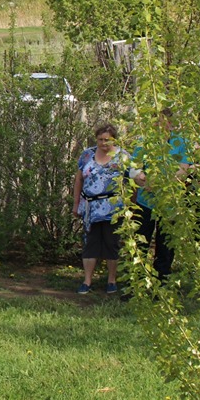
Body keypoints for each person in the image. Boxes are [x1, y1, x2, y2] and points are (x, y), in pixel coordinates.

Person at [130, 109, 193, 281]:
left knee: (165, 245)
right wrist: (142, 179)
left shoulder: (181, 142)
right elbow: (135, 169)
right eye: (155, 121)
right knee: (140, 242)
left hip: (170, 202)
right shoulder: (144, 142)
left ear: (170, 123)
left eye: (162, 121)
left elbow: (183, 170)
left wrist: (160, 184)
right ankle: (138, 283)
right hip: (146, 201)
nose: (158, 124)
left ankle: (162, 282)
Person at [72, 123, 130, 295]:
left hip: (114, 208)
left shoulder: (123, 157)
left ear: (114, 139)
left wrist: (130, 207)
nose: (103, 143)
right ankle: (87, 280)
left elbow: (132, 183)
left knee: (111, 243)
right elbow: (78, 180)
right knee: (90, 243)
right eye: (100, 140)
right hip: (91, 208)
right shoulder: (87, 154)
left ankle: (111, 281)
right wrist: (76, 204)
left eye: (107, 140)